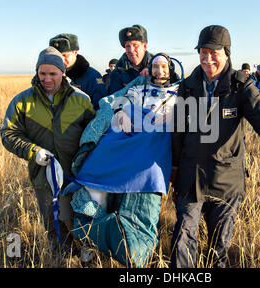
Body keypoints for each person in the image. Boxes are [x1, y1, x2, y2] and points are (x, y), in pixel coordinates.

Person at [170, 25, 260, 268]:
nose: (207, 58)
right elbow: (177, 132)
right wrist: (174, 167)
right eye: (203, 52)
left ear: (226, 52)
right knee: (183, 238)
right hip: (190, 177)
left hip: (226, 180)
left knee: (218, 247)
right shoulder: (188, 86)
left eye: (213, 52)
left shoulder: (241, 86)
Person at [63, 53, 182, 267]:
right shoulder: (138, 89)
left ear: (170, 68)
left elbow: (186, 116)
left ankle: (133, 246)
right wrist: (121, 112)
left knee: (142, 193)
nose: (160, 70)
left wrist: (173, 119)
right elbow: (122, 100)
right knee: (96, 177)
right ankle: (92, 235)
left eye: (164, 66)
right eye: (155, 66)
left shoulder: (180, 93)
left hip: (154, 150)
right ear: (150, 69)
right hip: (127, 141)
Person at [0, 47, 96, 251]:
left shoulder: (81, 100)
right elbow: (8, 134)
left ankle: (85, 254)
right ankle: (60, 257)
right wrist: (33, 151)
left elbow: (93, 135)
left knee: (76, 219)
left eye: (52, 73)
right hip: (43, 176)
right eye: (42, 73)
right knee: (52, 223)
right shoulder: (22, 101)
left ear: (63, 72)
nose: (47, 78)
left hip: (75, 176)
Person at [49, 34, 107, 110]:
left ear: (75, 52)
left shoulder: (93, 76)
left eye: (64, 55)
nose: (61, 60)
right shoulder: (49, 76)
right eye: (57, 56)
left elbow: (100, 107)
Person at [107, 24, 154, 94]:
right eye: (127, 46)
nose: (131, 50)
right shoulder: (117, 73)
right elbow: (114, 100)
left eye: (135, 45)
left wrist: (152, 70)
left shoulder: (159, 67)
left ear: (144, 46)